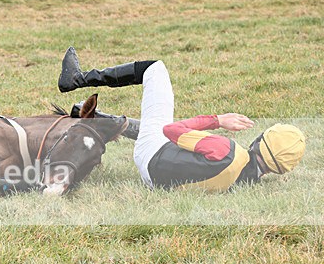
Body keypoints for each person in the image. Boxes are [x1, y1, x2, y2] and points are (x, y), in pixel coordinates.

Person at [58, 47, 305, 192]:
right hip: (158, 182)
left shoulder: (229, 150)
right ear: (281, 169)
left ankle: (77, 80)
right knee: (157, 128)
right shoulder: (247, 183)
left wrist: (217, 120)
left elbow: (171, 130)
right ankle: (99, 119)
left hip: (151, 156)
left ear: (260, 140)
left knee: (155, 69)